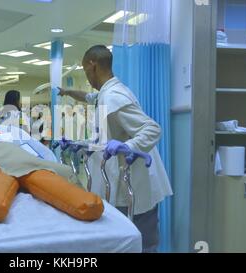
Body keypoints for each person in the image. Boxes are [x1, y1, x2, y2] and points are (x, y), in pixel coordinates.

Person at [58, 45, 172, 252]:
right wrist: (67, 93)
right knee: (125, 239)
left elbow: (153, 129)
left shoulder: (113, 96)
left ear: (92, 66)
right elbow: (88, 98)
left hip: (135, 181)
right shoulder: (107, 92)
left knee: (143, 243)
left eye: (85, 70)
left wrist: (127, 146)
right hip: (120, 181)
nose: (87, 76)